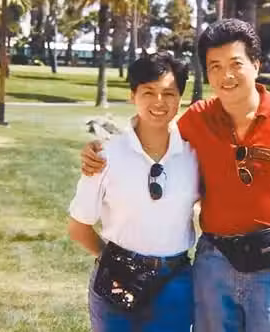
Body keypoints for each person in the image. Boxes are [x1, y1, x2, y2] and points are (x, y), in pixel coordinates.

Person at [80, 19, 270, 332]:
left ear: (256, 64)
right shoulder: (197, 119)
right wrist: (103, 149)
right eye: (215, 66)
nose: (225, 75)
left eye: (235, 64)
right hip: (213, 262)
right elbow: (154, 131)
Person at [68, 52, 199, 332]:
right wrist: (113, 263)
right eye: (148, 92)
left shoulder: (194, 156)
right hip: (116, 279)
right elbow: (78, 227)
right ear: (132, 96)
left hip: (174, 284)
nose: (159, 102)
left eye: (169, 93)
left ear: (180, 98)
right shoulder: (105, 155)